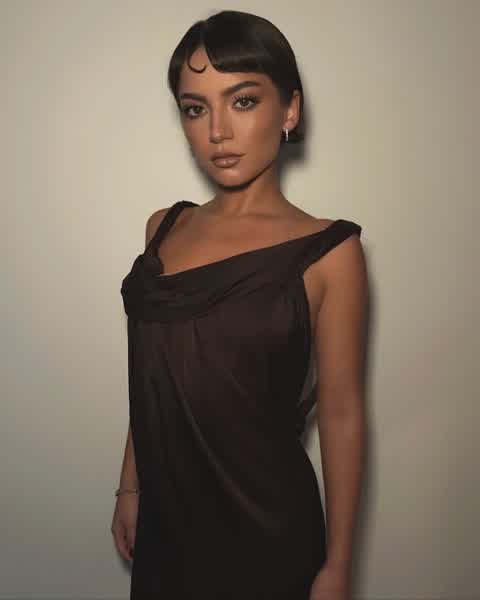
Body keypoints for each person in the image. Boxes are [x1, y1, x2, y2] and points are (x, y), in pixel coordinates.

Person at [111, 9, 367, 600]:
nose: (218, 131)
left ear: (290, 109)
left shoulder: (330, 252)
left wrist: (338, 566)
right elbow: (153, 376)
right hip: (168, 528)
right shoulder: (162, 229)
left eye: (243, 101)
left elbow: (343, 415)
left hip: (270, 532)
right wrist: (130, 486)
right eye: (195, 108)